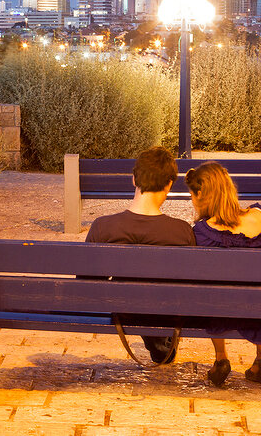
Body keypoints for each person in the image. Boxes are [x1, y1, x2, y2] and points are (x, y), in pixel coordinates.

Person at [186, 161, 261, 387]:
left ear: (201, 195)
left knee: (210, 294)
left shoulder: (203, 232)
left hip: (222, 312)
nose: (192, 202)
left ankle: (221, 359)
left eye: (192, 196)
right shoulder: (260, 216)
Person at [85, 146, 195, 363]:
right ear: (169, 184)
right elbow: (190, 285)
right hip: (166, 311)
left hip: (123, 310)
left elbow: (86, 283)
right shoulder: (182, 231)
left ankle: (158, 344)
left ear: (133, 179)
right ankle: (160, 344)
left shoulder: (102, 227)